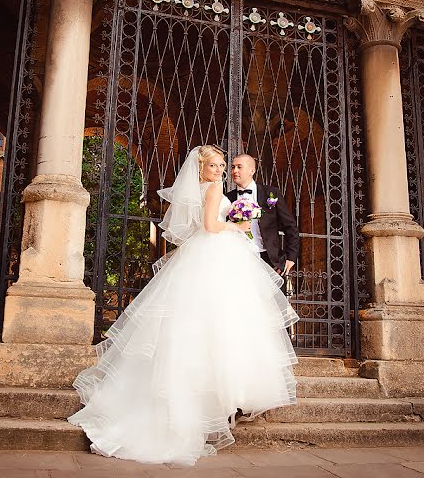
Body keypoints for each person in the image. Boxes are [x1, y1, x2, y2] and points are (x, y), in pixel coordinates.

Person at [68, 145, 298, 466]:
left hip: (236, 256)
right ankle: (218, 404)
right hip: (221, 254)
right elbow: (211, 225)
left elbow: (285, 222)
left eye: (229, 166)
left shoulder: (264, 193)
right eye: (220, 165)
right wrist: (237, 226)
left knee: (212, 327)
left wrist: (286, 253)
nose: (226, 171)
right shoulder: (219, 189)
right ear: (203, 168)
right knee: (222, 326)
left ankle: (220, 404)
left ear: (252, 169)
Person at [227, 154, 300, 286]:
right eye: (233, 167)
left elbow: (290, 226)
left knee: (274, 305)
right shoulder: (227, 198)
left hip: (271, 260)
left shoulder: (271, 193)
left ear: (252, 171)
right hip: (238, 258)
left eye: (239, 167)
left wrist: (291, 257)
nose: (234, 171)